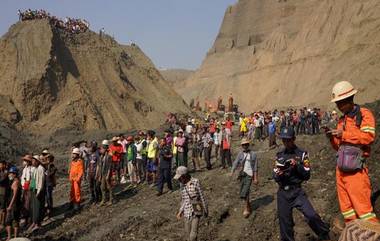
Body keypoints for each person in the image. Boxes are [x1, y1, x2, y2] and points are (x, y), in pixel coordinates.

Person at [326, 81, 378, 223]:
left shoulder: (364, 115)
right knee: (348, 212)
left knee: (364, 213)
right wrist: (332, 138)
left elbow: (368, 137)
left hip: (355, 172)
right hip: (341, 171)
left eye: (340, 103)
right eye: (337, 104)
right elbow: (340, 147)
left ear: (349, 100)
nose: (338, 107)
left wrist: (344, 134)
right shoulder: (342, 120)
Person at [274, 127, 330, 241]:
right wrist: (278, 173)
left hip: (297, 192)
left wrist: (297, 165)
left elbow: (307, 175)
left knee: (311, 215)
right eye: (284, 140)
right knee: (285, 223)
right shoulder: (279, 155)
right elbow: (275, 175)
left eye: (288, 140)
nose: (286, 142)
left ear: (293, 139)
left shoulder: (302, 154)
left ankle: (324, 233)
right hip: (283, 193)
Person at [175, 166, 208, 241]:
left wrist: (205, 210)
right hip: (187, 212)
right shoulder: (181, 185)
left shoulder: (195, 182)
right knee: (188, 236)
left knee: (193, 235)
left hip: (196, 210)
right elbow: (184, 199)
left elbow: (201, 196)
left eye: (180, 178)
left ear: (185, 176)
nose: (179, 180)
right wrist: (180, 211)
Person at [230, 138, 258, 218]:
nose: (245, 146)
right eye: (243, 145)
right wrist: (232, 171)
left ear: (248, 145)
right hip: (242, 174)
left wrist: (255, 178)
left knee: (244, 191)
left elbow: (255, 167)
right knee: (245, 191)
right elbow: (236, 162)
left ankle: (246, 209)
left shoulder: (253, 154)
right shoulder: (240, 154)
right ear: (242, 146)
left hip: (249, 175)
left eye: (246, 144)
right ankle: (248, 206)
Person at [28, 155, 45, 233]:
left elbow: (41, 182)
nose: (32, 162)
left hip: (38, 191)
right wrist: (31, 188)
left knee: (38, 207)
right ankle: (34, 222)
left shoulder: (41, 169)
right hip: (34, 190)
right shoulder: (35, 168)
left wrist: (38, 192)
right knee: (34, 207)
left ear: (37, 161)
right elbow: (33, 179)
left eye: (34, 161)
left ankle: (37, 223)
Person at [5, 166, 21, 240]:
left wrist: (10, 205)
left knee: (14, 221)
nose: (10, 175)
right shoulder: (13, 181)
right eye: (10, 173)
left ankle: (15, 237)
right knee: (9, 221)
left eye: (11, 173)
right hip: (12, 204)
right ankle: (9, 237)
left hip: (14, 205)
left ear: (15, 174)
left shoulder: (16, 182)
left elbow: (14, 195)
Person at [97, 140, 113, 205]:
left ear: (106, 148)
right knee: (102, 187)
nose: (101, 150)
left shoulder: (109, 156)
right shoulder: (101, 156)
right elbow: (100, 166)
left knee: (109, 187)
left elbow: (109, 167)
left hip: (107, 173)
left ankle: (111, 200)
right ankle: (104, 200)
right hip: (103, 174)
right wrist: (99, 175)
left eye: (103, 148)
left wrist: (107, 176)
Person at [20, 155, 33, 225]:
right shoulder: (25, 169)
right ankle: (25, 217)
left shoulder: (31, 169)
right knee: (24, 202)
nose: (25, 162)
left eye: (26, 161)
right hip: (24, 187)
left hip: (29, 187)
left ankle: (28, 219)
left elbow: (32, 180)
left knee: (28, 203)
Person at [0, 160, 9, 229]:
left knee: (3, 208)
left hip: (3, 192)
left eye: (1, 165)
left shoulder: (6, 172)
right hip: (1, 191)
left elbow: (2, 180)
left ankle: (3, 222)